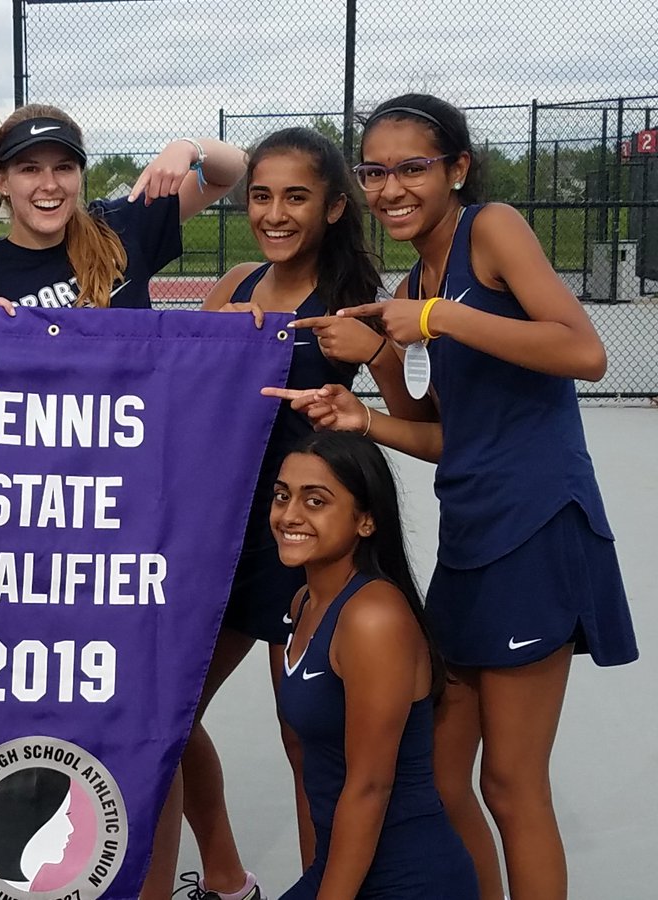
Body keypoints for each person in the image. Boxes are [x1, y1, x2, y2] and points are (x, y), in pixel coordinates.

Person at [265, 94, 637, 900]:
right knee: (438, 775)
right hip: (470, 539)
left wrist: (434, 318)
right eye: (374, 172)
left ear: (457, 168)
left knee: (511, 783)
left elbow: (584, 352)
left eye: (412, 168)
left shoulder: (491, 229)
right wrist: (367, 402)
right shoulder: (416, 279)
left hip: (536, 527)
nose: (390, 188)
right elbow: (445, 437)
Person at [165, 127, 417, 900]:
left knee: (307, 742)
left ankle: (319, 886)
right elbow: (167, 382)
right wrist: (213, 345)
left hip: (306, 542)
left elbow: (415, 416)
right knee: (167, 713)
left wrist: (373, 353)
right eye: (262, 196)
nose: (274, 213)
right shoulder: (235, 284)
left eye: (296, 197)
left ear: (334, 206)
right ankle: (227, 879)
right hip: (223, 537)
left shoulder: (353, 304)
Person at [271, 431, 477, 899]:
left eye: (315, 501)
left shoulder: (373, 619)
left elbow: (369, 788)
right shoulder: (304, 603)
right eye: (282, 496)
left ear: (366, 521)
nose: (289, 515)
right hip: (341, 868)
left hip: (411, 883)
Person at [0, 102, 248, 311]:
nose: (49, 184)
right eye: (29, 169)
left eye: (63, 168)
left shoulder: (121, 228)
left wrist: (189, 148)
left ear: (80, 176)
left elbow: (235, 171)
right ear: (3, 182)